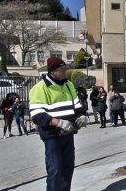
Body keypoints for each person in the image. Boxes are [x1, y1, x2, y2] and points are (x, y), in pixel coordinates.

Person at [29, 57, 88, 191]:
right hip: (52, 136)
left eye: (64, 69)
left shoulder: (68, 84)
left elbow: (78, 106)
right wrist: (58, 123)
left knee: (68, 168)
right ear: (52, 71)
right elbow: (37, 115)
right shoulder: (40, 88)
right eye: (61, 69)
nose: (64, 72)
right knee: (55, 170)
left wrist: (82, 116)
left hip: (68, 133)